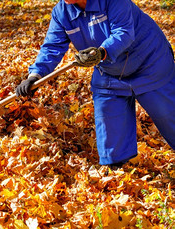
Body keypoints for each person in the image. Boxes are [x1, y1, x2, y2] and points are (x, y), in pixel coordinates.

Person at [15, 0, 175, 167]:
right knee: (109, 120)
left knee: (168, 115)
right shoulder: (62, 12)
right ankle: (120, 170)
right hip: (109, 70)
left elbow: (124, 32)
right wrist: (35, 76)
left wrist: (102, 52)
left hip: (150, 62)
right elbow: (51, 47)